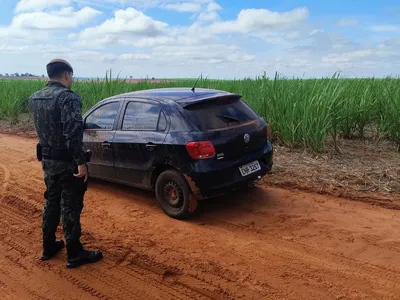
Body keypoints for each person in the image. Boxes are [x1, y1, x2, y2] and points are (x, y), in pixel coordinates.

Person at [29, 58, 103, 268]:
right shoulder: (67, 98)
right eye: (71, 76)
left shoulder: (35, 97)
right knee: (70, 206)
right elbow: (72, 133)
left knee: (51, 201)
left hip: (48, 161)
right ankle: (74, 253)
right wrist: (80, 162)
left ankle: (48, 246)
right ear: (67, 75)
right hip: (67, 162)